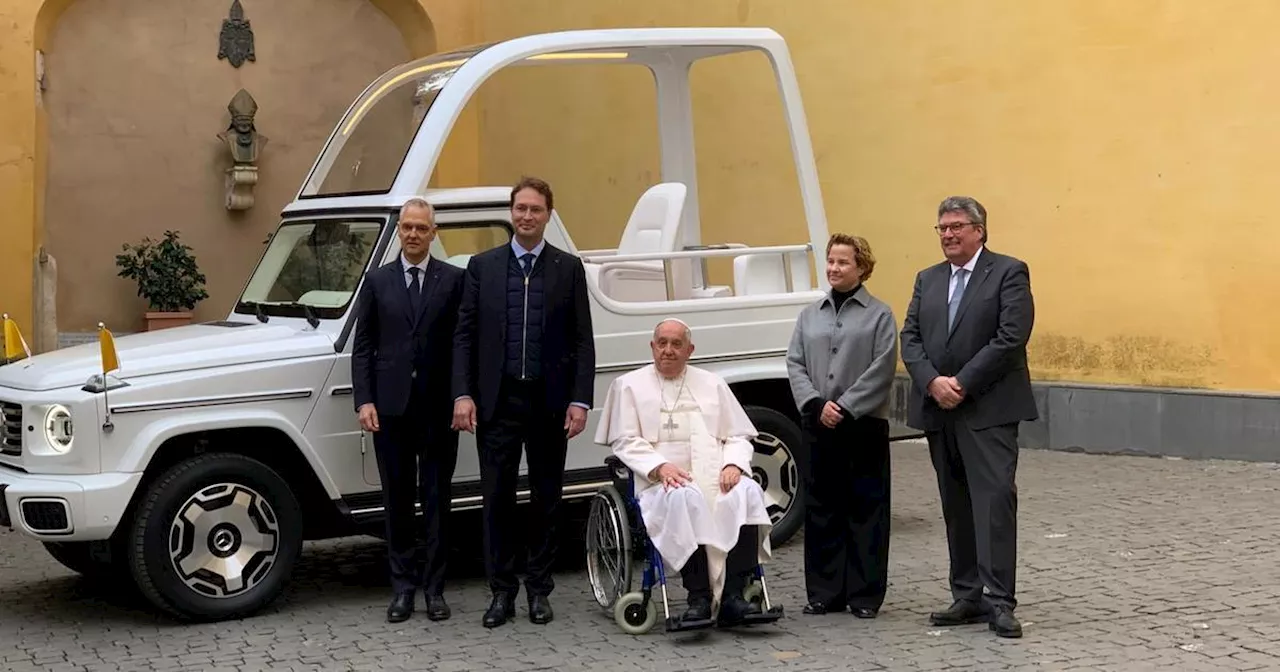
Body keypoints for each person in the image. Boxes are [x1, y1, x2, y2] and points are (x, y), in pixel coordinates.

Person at [451, 176, 596, 628]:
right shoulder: (483, 267)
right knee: (496, 501)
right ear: (510, 213)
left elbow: (582, 340)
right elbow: (465, 336)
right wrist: (463, 393)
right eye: (520, 209)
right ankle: (501, 593)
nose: (527, 216)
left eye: (535, 209)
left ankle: (539, 590)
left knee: (546, 500)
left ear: (548, 215)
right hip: (498, 404)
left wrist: (580, 400)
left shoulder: (568, 268)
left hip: (550, 406)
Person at [900, 196, 1036, 639]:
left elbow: (1010, 337)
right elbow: (912, 337)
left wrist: (961, 382)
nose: (948, 235)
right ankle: (967, 594)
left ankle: (1000, 601)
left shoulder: (1009, 272)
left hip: (988, 411)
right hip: (941, 411)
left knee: (994, 502)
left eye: (957, 226)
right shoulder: (928, 279)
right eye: (941, 228)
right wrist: (932, 382)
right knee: (956, 506)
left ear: (979, 230)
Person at [595, 318, 773, 626]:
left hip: (714, 473)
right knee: (684, 498)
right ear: (652, 347)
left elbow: (738, 435)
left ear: (689, 350)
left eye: (676, 344)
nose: (668, 350)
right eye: (662, 343)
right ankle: (699, 598)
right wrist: (659, 467)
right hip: (660, 481)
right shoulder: (629, 386)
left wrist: (733, 464)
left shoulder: (712, 383)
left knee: (747, 491)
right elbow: (624, 439)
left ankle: (733, 596)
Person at [351, 198, 464, 623]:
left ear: (433, 233)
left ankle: (435, 590)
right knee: (397, 503)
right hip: (391, 409)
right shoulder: (377, 282)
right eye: (406, 228)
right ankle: (402, 590)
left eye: (421, 228)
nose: (413, 234)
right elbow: (363, 347)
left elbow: (460, 345)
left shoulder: (453, 280)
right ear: (398, 232)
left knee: (437, 502)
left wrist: (460, 396)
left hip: (437, 411)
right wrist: (364, 400)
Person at [786, 234, 898, 619]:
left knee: (866, 510)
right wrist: (816, 404)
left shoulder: (879, 315)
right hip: (818, 423)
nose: (834, 268)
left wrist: (846, 406)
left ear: (862, 267)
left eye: (843, 262)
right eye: (831, 261)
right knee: (822, 510)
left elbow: (882, 369)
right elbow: (794, 363)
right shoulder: (809, 315)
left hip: (862, 425)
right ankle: (824, 592)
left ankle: (864, 596)